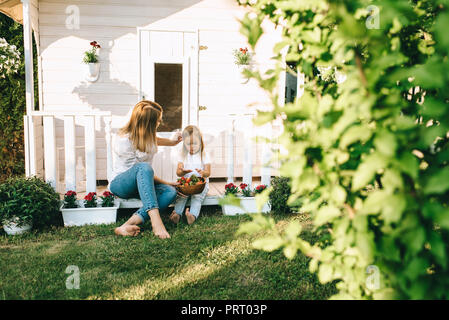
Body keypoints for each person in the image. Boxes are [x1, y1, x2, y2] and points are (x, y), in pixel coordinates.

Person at [109, 100, 181, 239]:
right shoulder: (124, 141)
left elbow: (157, 140)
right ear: (147, 123)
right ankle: (156, 222)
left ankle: (126, 225)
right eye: (157, 121)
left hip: (142, 184)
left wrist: (173, 142)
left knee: (170, 192)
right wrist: (165, 181)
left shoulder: (147, 135)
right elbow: (141, 173)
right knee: (144, 167)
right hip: (122, 184)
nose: (159, 123)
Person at [169, 125, 211, 225]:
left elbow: (208, 172)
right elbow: (178, 173)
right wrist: (183, 172)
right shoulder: (182, 154)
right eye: (189, 144)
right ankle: (177, 214)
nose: (192, 147)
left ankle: (192, 215)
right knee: (181, 197)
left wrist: (202, 172)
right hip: (186, 185)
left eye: (195, 143)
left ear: (200, 142)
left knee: (197, 197)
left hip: (200, 184)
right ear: (184, 143)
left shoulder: (204, 154)